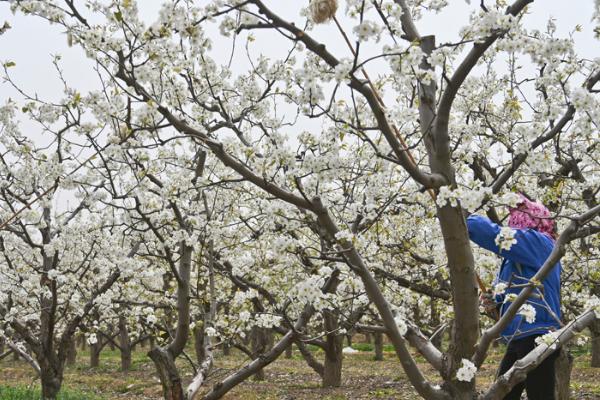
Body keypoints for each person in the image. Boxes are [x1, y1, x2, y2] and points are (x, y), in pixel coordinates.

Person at [466, 194, 561, 400]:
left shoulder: (540, 243)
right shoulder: (516, 256)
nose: (515, 227)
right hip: (520, 334)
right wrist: (495, 301)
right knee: (504, 393)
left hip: (539, 334)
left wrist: (466, 217)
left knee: (540, 395)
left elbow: (495, 234)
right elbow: (510, 292)